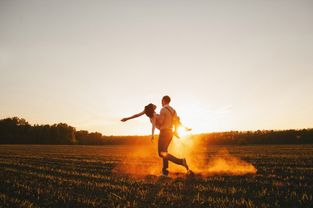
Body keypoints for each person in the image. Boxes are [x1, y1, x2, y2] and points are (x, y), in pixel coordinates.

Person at [157, 95, 190, 176]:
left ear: (164, 100)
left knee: (161, 153)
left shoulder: (163, 109)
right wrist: (184, 128)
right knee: (164, 152)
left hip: (164, 133)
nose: (161, 103)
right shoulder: (174, 111)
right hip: (170, 133)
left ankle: (181, 161)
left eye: (161, 101)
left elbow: (160, 122)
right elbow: (177, 122)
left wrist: (154, 119)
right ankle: (165, 171)